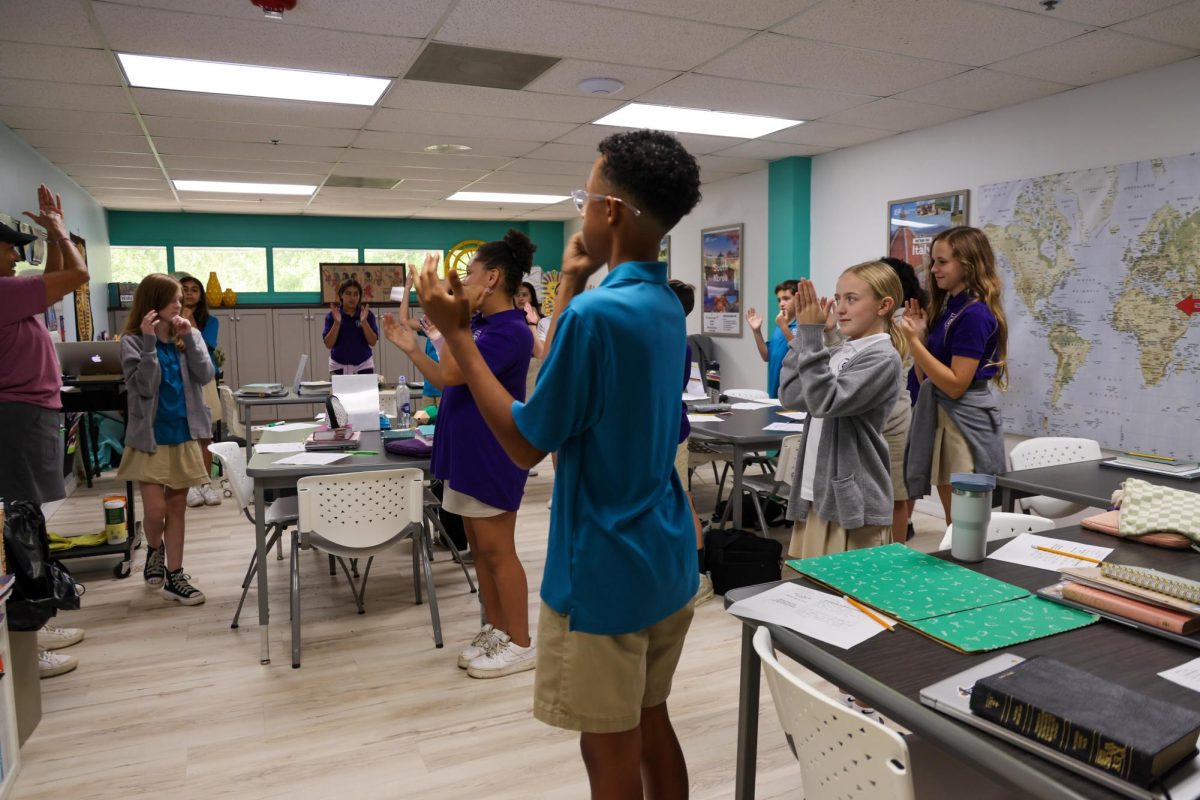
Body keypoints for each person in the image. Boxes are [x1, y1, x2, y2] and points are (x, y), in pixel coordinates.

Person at [414, 129, 702, 799]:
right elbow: (561, 391)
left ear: (610, 212)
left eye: (584, 197)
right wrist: (572, 281)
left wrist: (457, 334)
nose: (579, 213)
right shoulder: (661, 304)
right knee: (653, 721)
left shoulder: (596, 316)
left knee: (608, 752)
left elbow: (525, 439)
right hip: (664, 558)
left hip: (603, 570)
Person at [383, 230, 536, 679]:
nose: (464, 283)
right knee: (479, 549)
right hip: (466, 450)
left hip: (493, 451)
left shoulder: (509, 331)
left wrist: (445, 324)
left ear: (493, 277)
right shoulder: (481, 327)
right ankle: (495, 629)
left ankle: (522, 641)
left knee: (498, 550)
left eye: (469, 275)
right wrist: (414, 347)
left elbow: (452, 367)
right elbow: (449, 379)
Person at [1, 185, 91, 678]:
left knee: (26, 523)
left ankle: (35, 619)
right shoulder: (0, 290)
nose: (17, 255)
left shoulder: (11, 293)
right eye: (10, 247)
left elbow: (55, 275)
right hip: (16, 415)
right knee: (17, 532)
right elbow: (76, 276)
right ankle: (22, 642)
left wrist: (56, 233)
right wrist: (58, 230)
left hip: (26, 413)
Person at [780, 266, 903, 559]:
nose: (840, 308)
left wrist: (811, 335)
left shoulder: (883, 358)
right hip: (816, 493)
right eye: (838, 298)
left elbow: (825, 401)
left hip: (851, 503)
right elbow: (792, 395)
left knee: (843, 595)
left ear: (884, 306)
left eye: (851, 299)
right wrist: (807, 339)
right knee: (809, 588)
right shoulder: (841, 350)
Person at [900, 227, 1008, 524]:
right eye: (933, 262)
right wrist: (920, 340)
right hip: (945, 415)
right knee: (955, 521)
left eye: (942, 262)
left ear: (969, 264)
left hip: (963, 419)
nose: (933, 270)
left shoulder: (974, 314)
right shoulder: (949, 308)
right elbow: (928, 381)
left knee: (964, 523)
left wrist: (913, 343)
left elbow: (957, 385)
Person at [119, 273, 214, 606]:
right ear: (154, 303)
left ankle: (176, 575)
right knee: (156, 511)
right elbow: (144, 387)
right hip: (150, 438)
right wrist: (148, 343)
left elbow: (205, 375)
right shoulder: (132, 341)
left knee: (177, 509)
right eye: (174, 298)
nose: (181, 303)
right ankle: (154, 551)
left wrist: (190, 341)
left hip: (184, 434)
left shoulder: (190, 333)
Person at [879, 257, 926, 542]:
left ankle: (898, 539)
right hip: (892, 409)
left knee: (898, 489)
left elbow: (900, 361)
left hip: (900, 410)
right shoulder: (889, 319)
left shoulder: (903, 320)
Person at [176, 273, 221, 508]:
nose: (190, 293)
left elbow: (204, 345)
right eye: (185, 289)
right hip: (179, 379)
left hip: (204, 378)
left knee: (205, 433)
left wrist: (189, 320)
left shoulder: (210, 321)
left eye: (195, 289)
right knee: (185, 434)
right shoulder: (168, 318)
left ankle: (206, 483)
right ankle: (190, 484)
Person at [746, 280, 798, 398]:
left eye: (786, 298)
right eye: (779, 300)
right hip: (774, 391)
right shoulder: (779, 326)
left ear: (798, 299)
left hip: (793, 395)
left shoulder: (802, 325)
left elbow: (800, 352)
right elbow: (766, 356)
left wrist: (783, 326)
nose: (781, 303)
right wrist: (756, 331)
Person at [322, 278, 378, 374]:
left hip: (363, 365)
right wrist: (337, 323)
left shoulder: (367, 314)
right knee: (339, 390)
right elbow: (328, 344)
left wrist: (364, 322)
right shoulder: (332, 315)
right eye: (348, 293)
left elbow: (373, 342)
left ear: (360, 297)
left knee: (365, 390)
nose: (352, 298)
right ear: (341, 295)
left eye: (356, 294)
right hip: (338, 365)